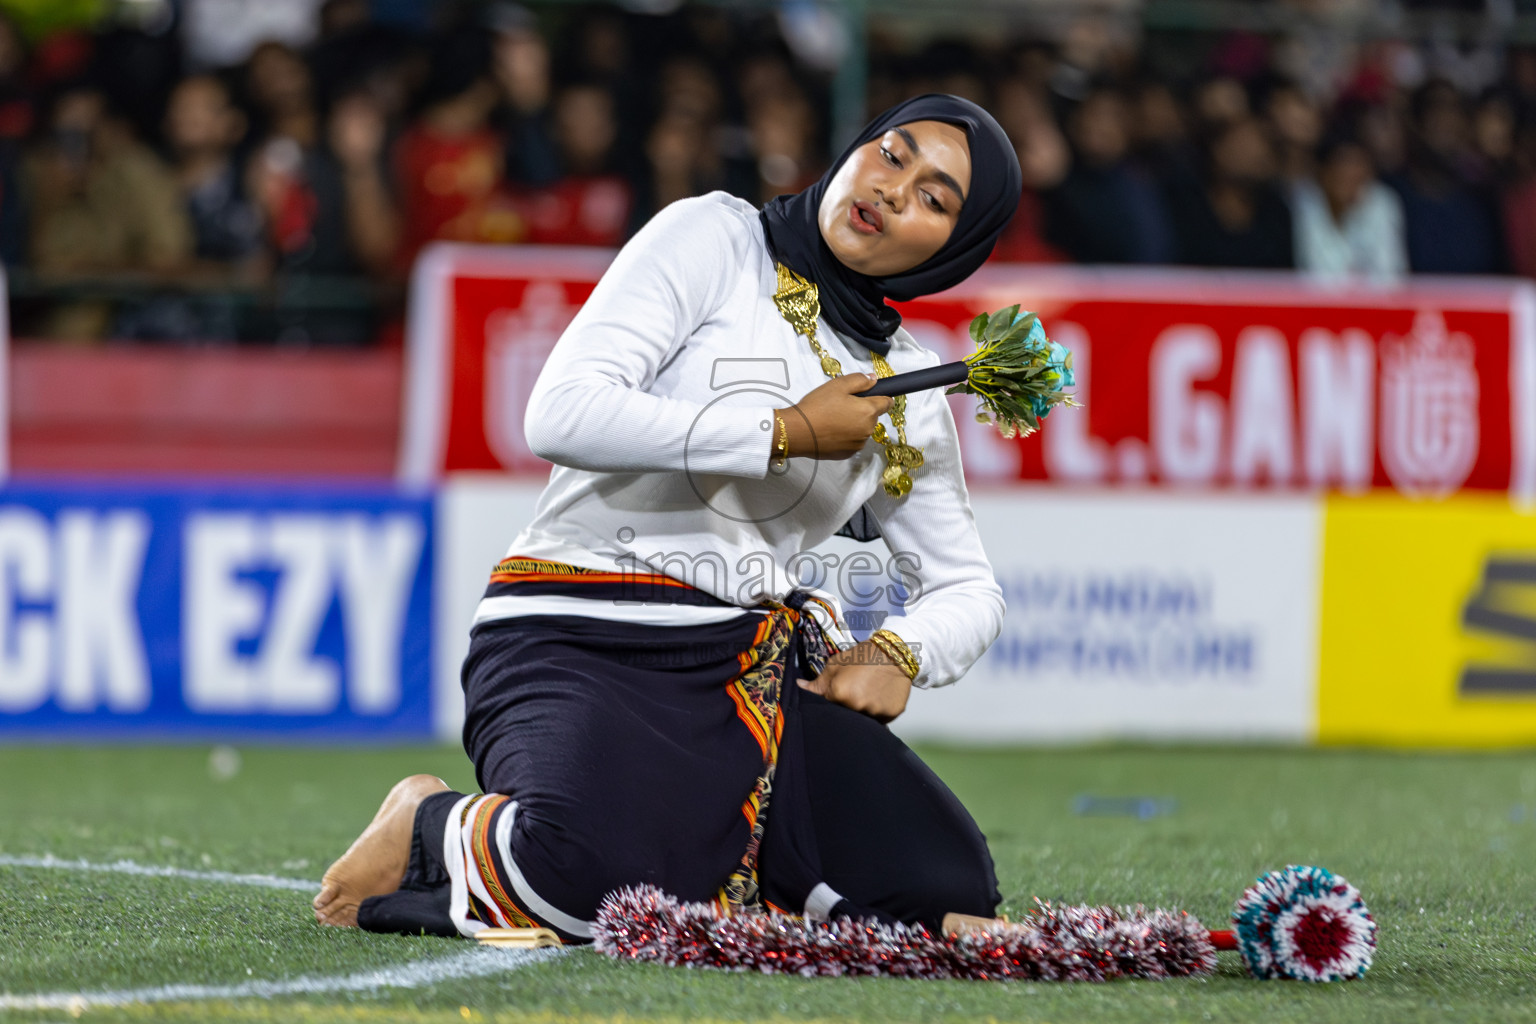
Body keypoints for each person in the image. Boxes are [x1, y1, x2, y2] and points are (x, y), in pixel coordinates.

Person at [312, 94, 1022, 942]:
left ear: (954, 248)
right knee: (596, 892)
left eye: (935, 199)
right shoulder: (714, 238)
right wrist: (785, 432)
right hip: (575, 629)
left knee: (944, 885)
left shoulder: (908, 384)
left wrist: (902, 651)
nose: (894, 189)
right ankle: (429, 825)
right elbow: (561, 412)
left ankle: (729, 857)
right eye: (891, 153)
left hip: (746, 672)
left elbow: (968, 587)